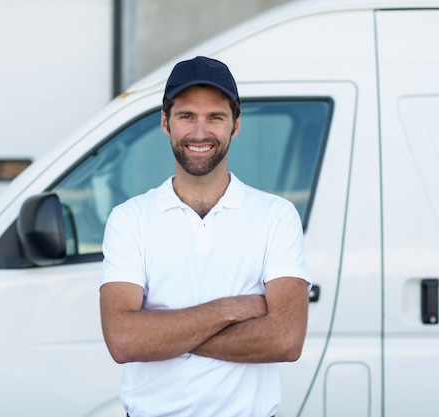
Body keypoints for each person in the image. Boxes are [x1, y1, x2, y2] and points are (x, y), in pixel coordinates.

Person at [99, 56, 311, 417]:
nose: (200, 133)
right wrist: (235, 309)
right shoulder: (129, 219)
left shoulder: (275, 216)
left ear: (236, 125)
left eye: (215, 117)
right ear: (166, 123)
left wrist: (165, 336)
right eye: (187, 116)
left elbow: (286, 339)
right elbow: (123, 340)